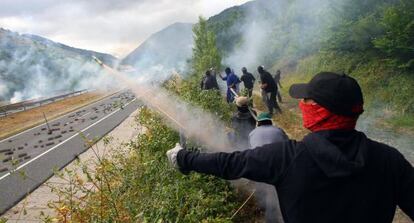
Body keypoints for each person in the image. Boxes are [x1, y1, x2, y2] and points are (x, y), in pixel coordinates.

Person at [166, 72, 414, 223]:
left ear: (319, 110)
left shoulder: (285, 158)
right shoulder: (390, 160)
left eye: (306, 99)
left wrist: (183, 158)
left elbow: (229, 163)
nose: (302, 103)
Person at [248, 112, 288, 223]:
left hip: (260, 166)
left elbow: (251, 151)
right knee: (277, 193)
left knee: (263, 190)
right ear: (270, 121)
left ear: (258, 123)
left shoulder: (252, 133)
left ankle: (264, 210)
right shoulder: (278, 130)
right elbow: (287, 145)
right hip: (279, 167)